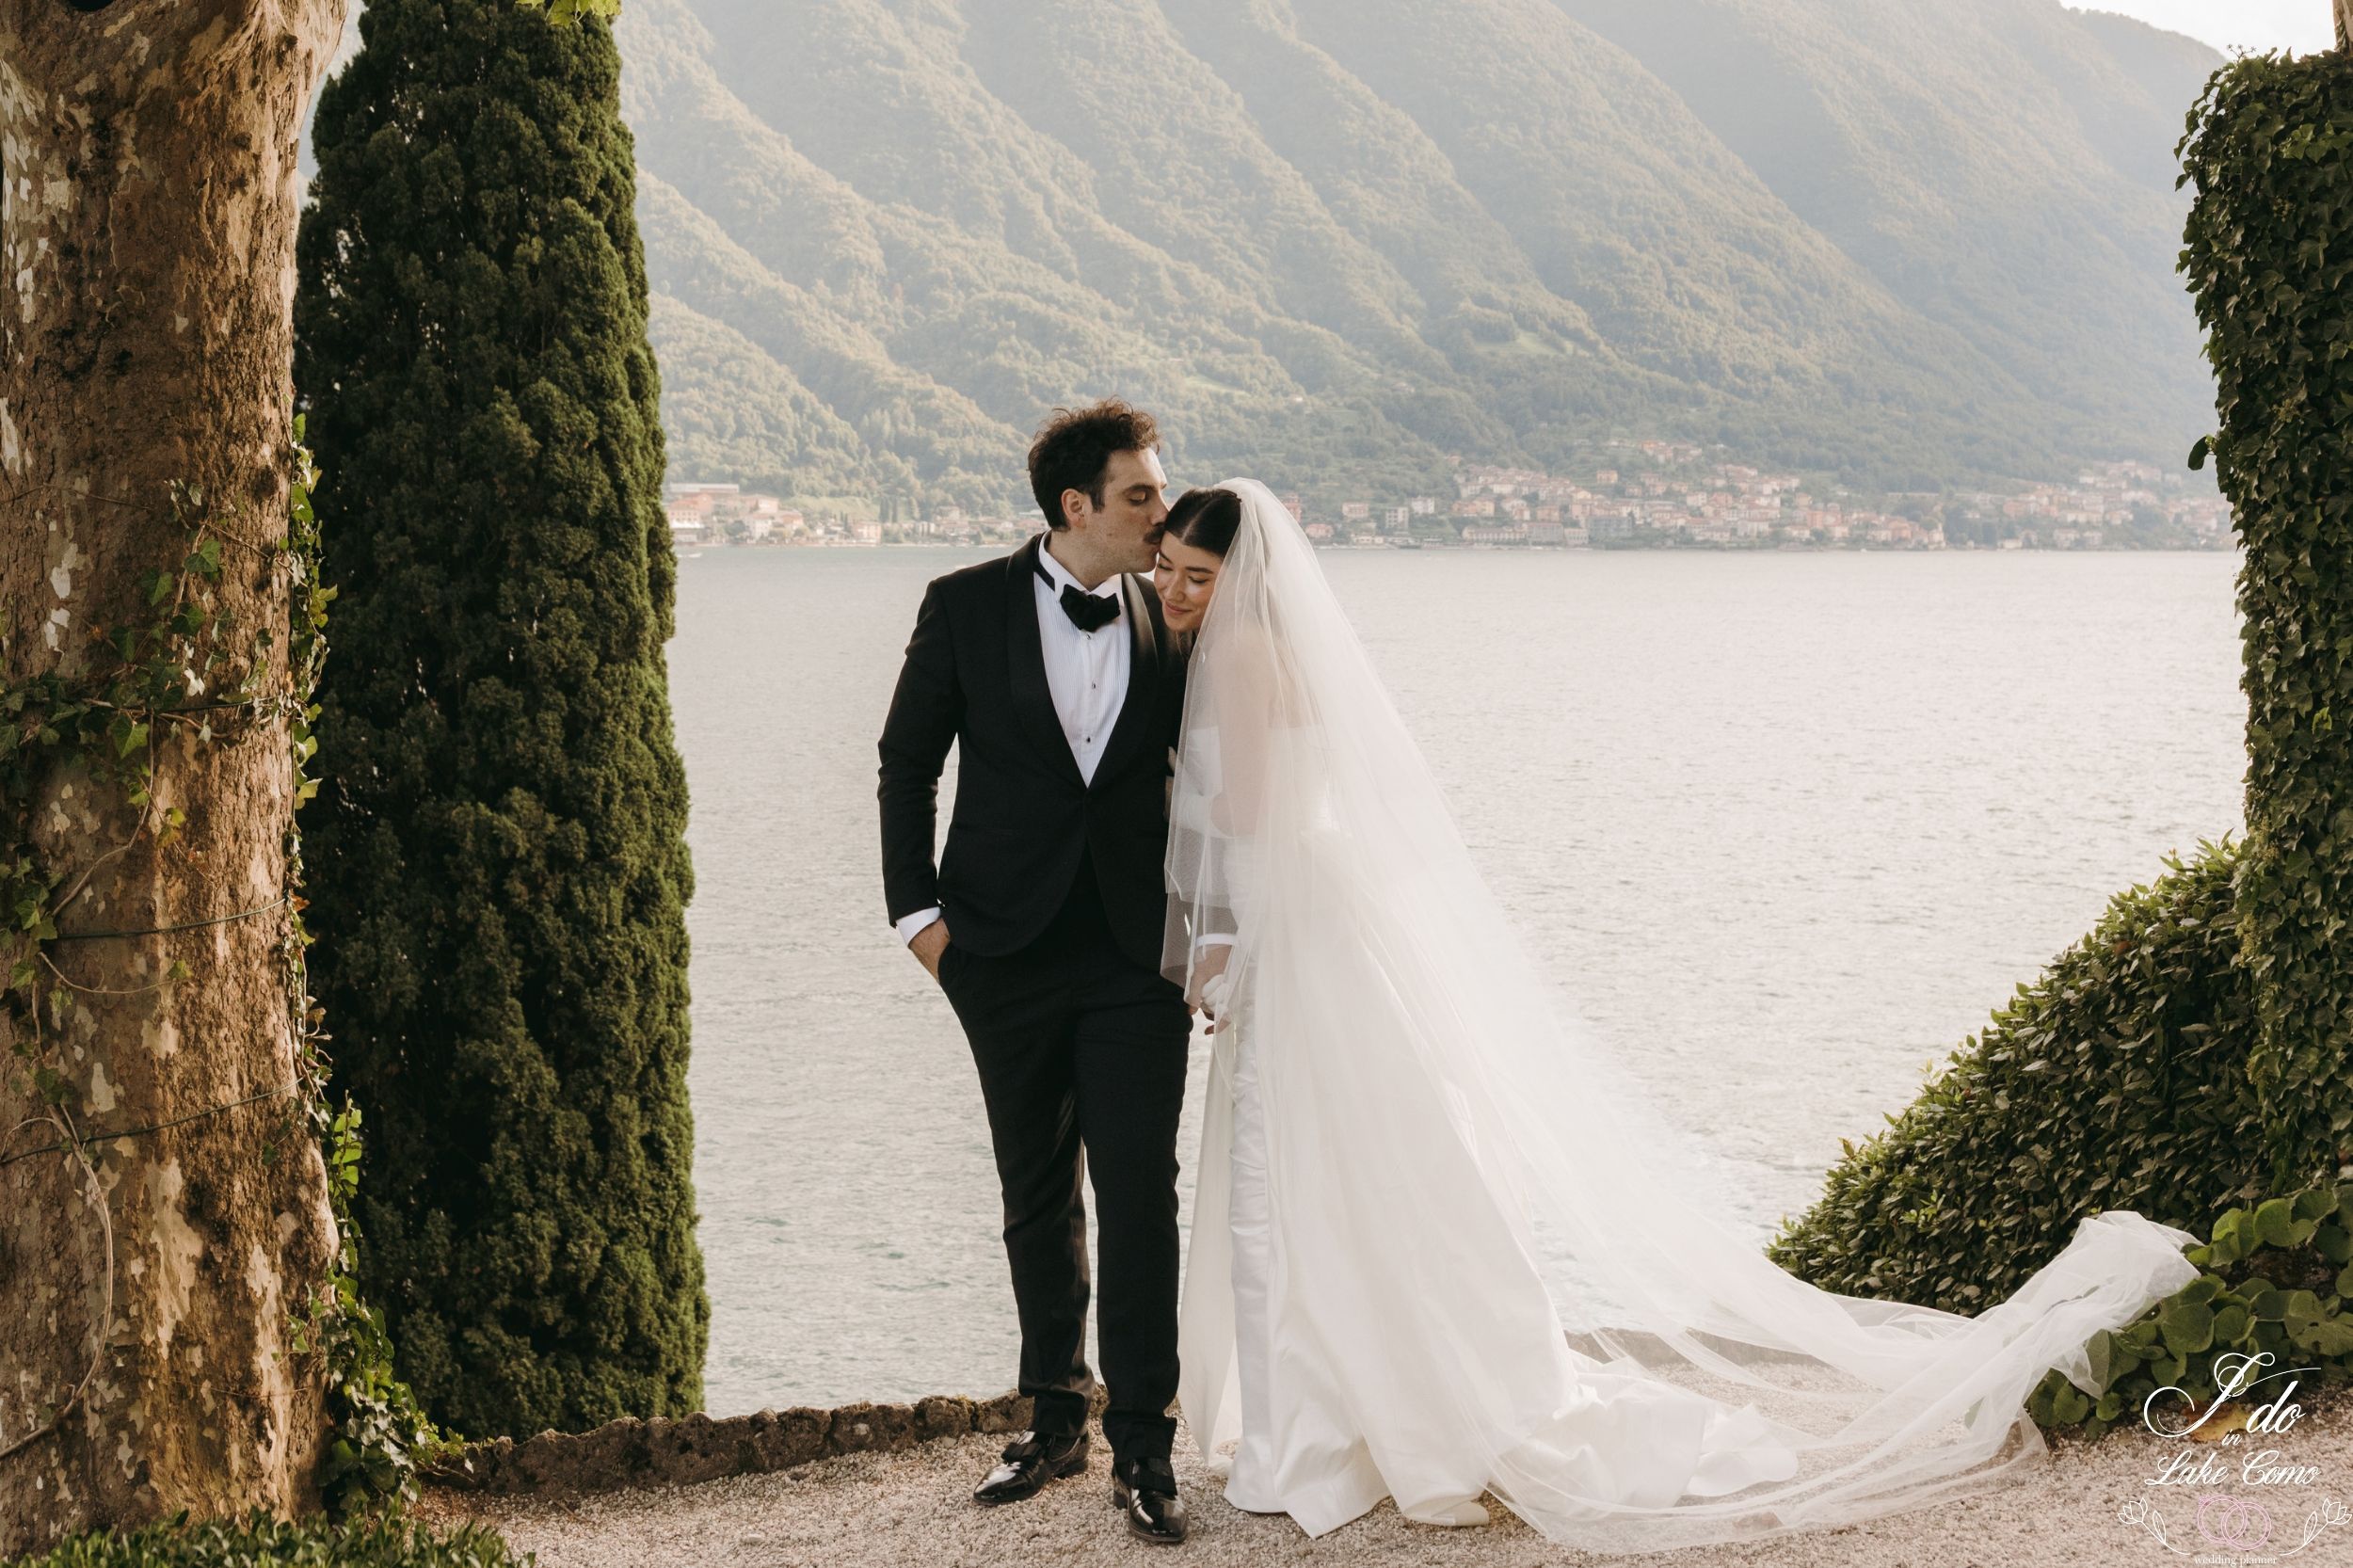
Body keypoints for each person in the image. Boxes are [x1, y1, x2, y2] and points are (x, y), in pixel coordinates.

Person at [1149, 479, 2204, 1553]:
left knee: (1292, 1170)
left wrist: (1170, 794)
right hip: (1316, 920)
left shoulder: (1239, 656)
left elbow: (1252, 811)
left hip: (1292, 928)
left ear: (1244, 579)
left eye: (1199, 577)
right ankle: (1363, 1402)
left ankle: (1314, 1430)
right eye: (1169, 571)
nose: (1177, 592)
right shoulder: (1271, 648)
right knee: (1344, 1167)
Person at [877, 401, 1193, 1545]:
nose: (1161, 512)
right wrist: (920, 922)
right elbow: (907, 761)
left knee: (1140, 1193)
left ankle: (1145, 1444)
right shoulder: (963, 605)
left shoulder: (1175, 617)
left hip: (1136, 955)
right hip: (998, 951)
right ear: (1077, 506)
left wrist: (1208, 933)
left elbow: (1216, 779)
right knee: (1035, 1191)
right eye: (1140, 494)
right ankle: (1055, 1416)